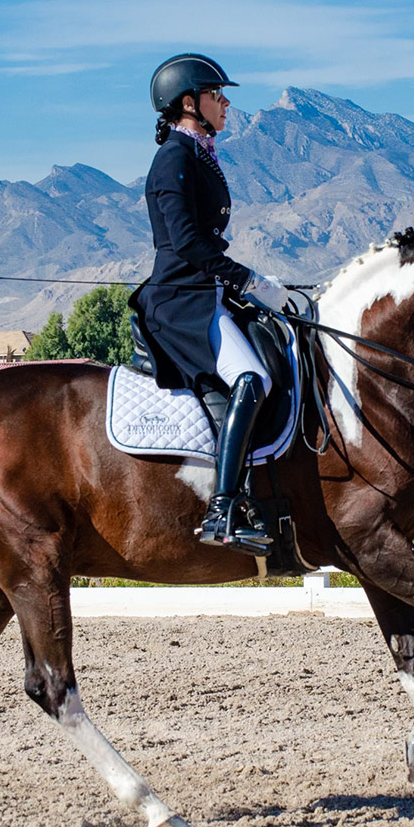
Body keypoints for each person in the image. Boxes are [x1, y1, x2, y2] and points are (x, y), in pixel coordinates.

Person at [129, 53, 290, 555]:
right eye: (217, 96)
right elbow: (186, 244)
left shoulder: (197, 154)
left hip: (205, 293)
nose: (225, 104)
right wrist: (250, 280)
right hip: (181, 302)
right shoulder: (174, 158)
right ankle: (224, 507)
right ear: (188, 103)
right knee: (252, 378)